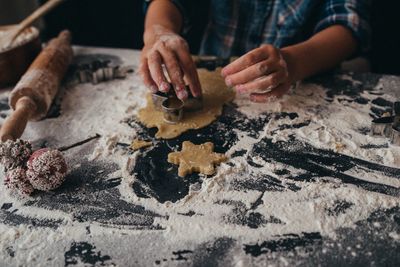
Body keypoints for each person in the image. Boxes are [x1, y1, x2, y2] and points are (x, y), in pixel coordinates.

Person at [140, 0, 370, 103]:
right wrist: (159, 31)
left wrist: (293, 61)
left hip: (300, 82)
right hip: (210, 71)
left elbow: (347, 23)